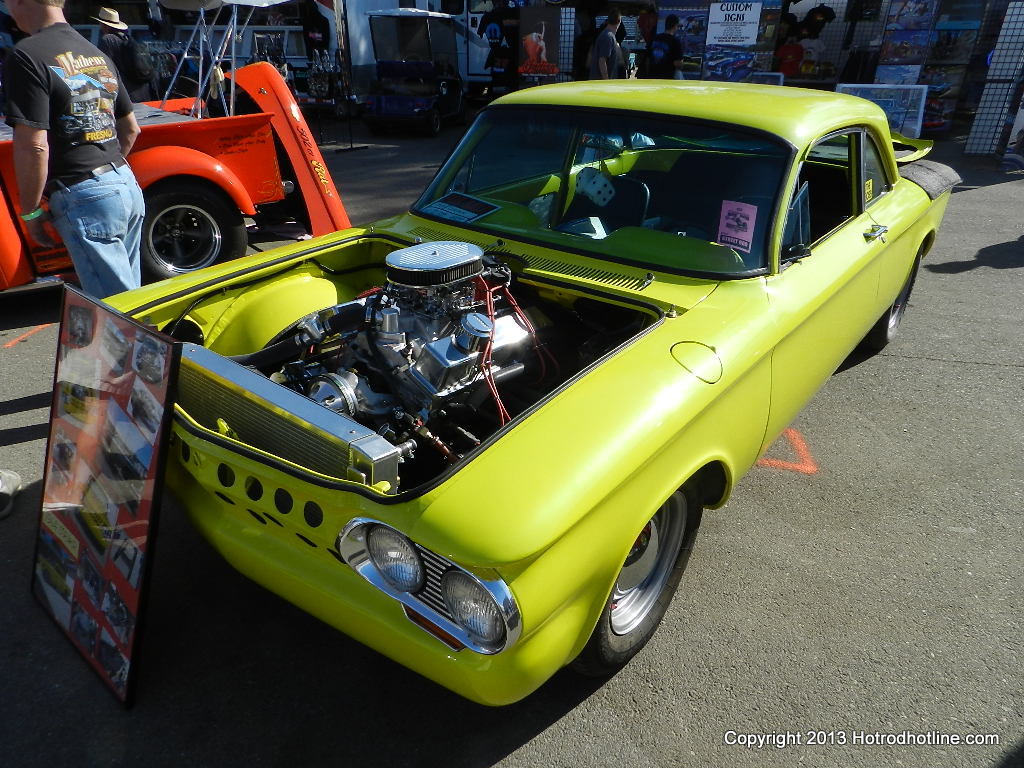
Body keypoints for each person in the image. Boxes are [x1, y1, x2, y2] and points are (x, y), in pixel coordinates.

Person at [3, 0, 145, 300]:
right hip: (123, 183)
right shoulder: (94, 51)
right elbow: (131, 128)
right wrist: (108, 177)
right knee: (131, 304)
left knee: (118, 317)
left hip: (84, 193)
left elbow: (34, 145)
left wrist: (30, 212)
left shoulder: (26, 55)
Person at [95, 7, 154, 102]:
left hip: (127, 94)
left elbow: (103, 69)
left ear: (104, 25)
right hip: (142, 91)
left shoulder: (107, 39)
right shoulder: (127, 38)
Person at [644, 14, 684, 79]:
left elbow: (647, 60)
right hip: (667, 79)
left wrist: (648, 74)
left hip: (652, 76)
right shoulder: (675, 41)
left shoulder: (654, 38)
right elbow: (678, 63)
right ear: (675, 26)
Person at [589, 9, 624, 80]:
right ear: (619, 21)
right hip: (600, 84)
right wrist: (606, 81)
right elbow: (602, 61)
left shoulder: (608, 36)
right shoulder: (607, 37)